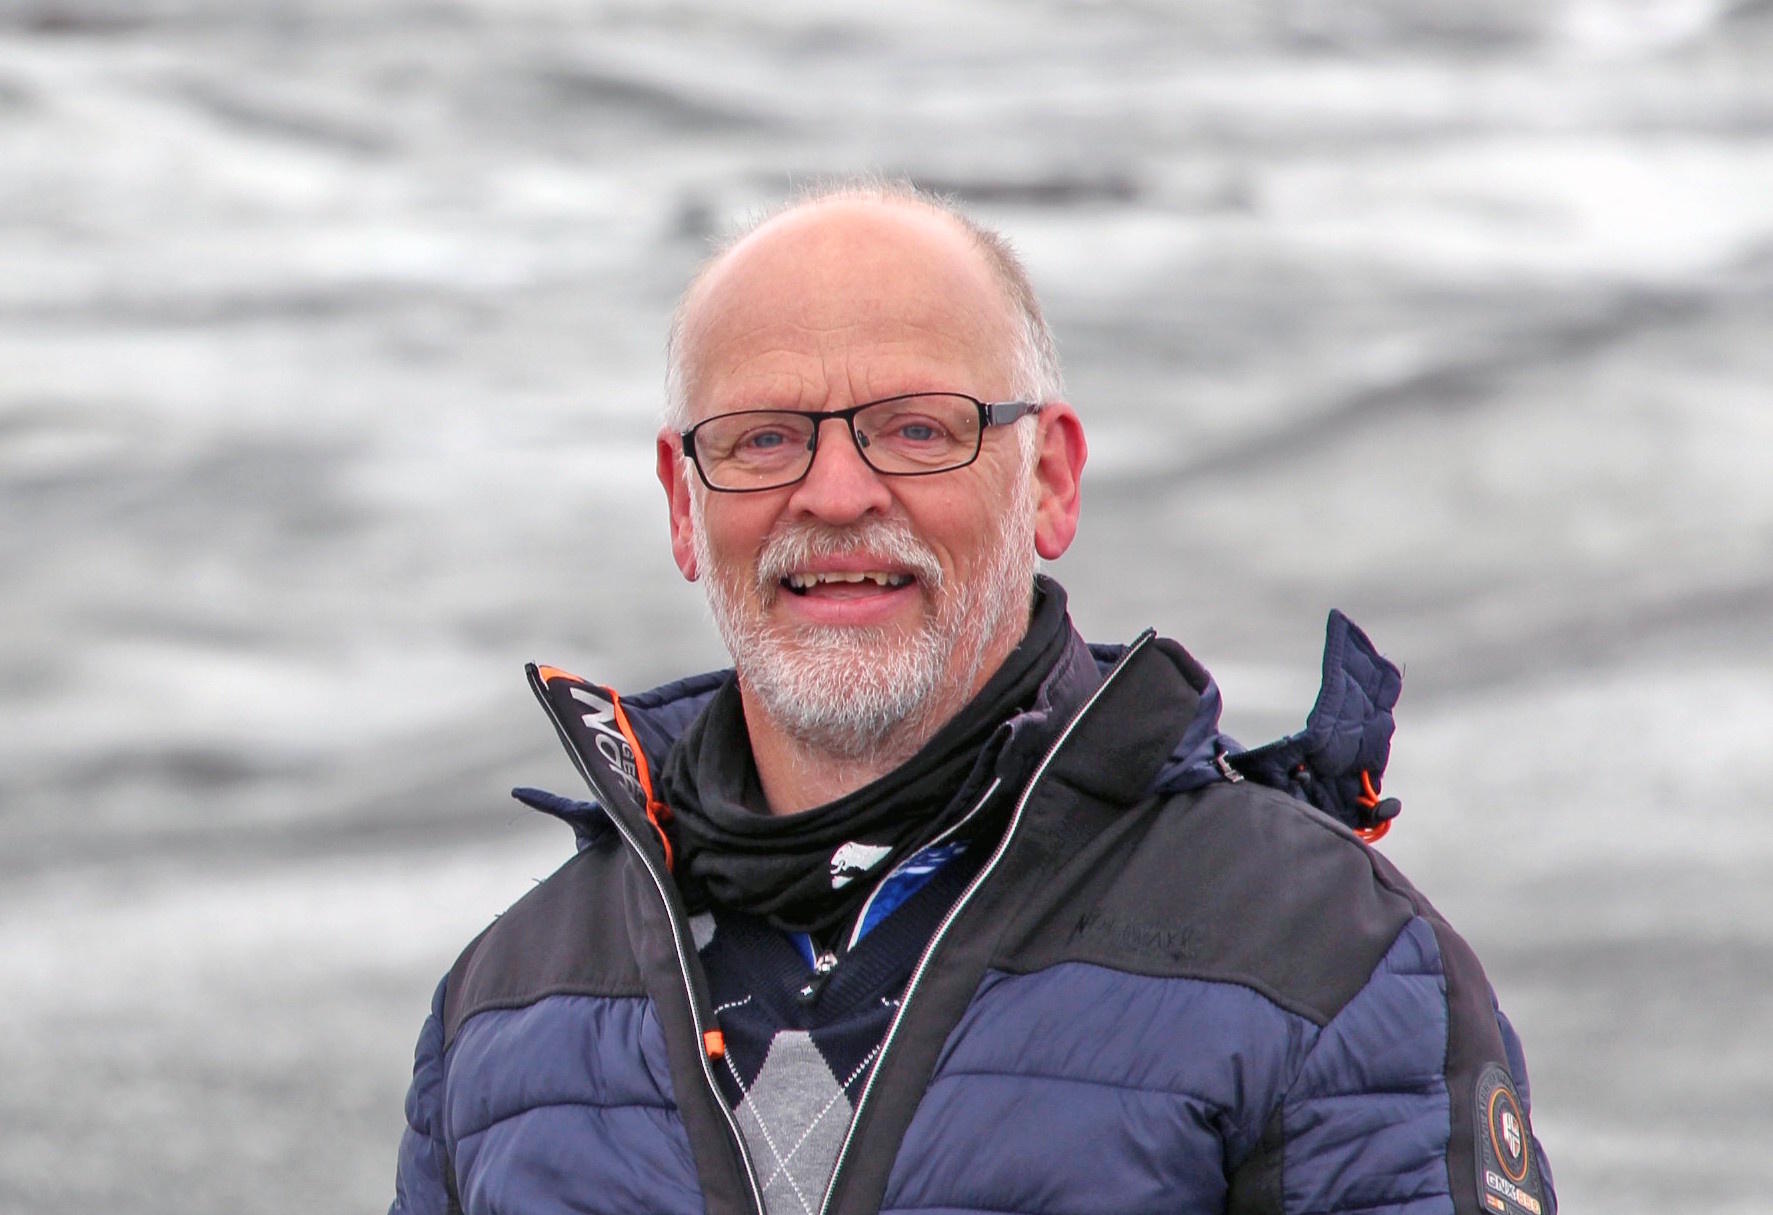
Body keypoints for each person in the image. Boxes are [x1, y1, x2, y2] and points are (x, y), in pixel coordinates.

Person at [390, 180, 1555, 1215]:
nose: (835, 494)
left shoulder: (1321, 958)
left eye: (917, 430)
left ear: (1049, 480)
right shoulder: (507, 1009)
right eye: (763, 439)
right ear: (683, 504)